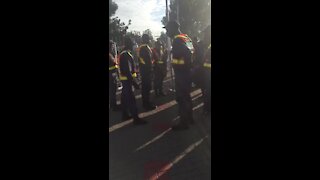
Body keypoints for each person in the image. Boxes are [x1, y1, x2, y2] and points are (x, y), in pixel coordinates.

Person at [163, 20, 195, 130]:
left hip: (182, 74)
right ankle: (190, 118)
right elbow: (191, 53)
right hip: (188, 73)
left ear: (173, 29)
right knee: (187, 96)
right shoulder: (187, 37)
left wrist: (174, 63)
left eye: (167, 29)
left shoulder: (177, 40)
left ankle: (184, 123)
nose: (167, 32)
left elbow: (184, 57)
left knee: (181, 98)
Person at [119, 36, 147, 124]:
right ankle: (136, 119)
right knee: (131, 99)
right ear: (129, 44)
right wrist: (135, 83)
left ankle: (125, 115)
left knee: (124, 98)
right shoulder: (126, 55)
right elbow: (128, 71)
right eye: (133, 44)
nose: (134, 46)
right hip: (128, 81)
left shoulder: (123, 54)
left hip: (125, 80)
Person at [138, 34, 157, 110]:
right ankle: (147, 104)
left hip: (145, 71)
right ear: (146, 39)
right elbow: (147, 61)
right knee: (146, 88)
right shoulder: (144, 48)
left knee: (146, 88)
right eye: (148, 39)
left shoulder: (142, 48)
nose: (149, 40)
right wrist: (151, 69)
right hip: (146, 72)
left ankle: (146, 103)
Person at [201, 25, 212, 115]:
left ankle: (207, 109)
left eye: (206, 34)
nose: (204, 36)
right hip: (207, 74)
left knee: (208, 92)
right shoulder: (208, 46)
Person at [109, 40, 120, 111]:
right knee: (112, 91)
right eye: (112, 45)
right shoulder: (109, 54)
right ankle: (114, 106)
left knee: (112, 91)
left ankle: (113, 105)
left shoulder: (111, 53)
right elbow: (114, 62)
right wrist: (116, 56)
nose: (113, 47)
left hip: (112, 73)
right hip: (111, 74)